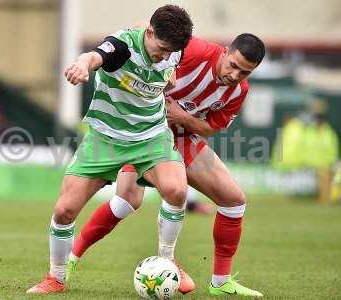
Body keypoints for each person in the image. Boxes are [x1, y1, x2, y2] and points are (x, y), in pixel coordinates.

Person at [71, 33, 266, 297]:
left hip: (183, 138)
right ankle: (72, 257)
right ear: (225, 52)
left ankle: (220, 282)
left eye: (244, 72)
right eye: (233, 65)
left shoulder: (239, 91)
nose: (235, 75)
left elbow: (210, 129)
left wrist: (183, 117)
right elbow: (146, 30)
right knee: (127, 199)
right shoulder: (195, 49)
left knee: (234, 200)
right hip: (145, 133)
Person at [26, 5, 193, 294]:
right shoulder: (122, 46)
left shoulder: (174, 49)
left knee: (176, 190)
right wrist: (81, 65)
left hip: (150, 137)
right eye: (162, 49)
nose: (165, 55)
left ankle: (169, 262)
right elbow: (94, 56)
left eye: (170, 52)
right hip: (106, 138)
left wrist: (168, 68)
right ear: (149, 33)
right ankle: (56, 277)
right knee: (65, 210)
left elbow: (168, 64)